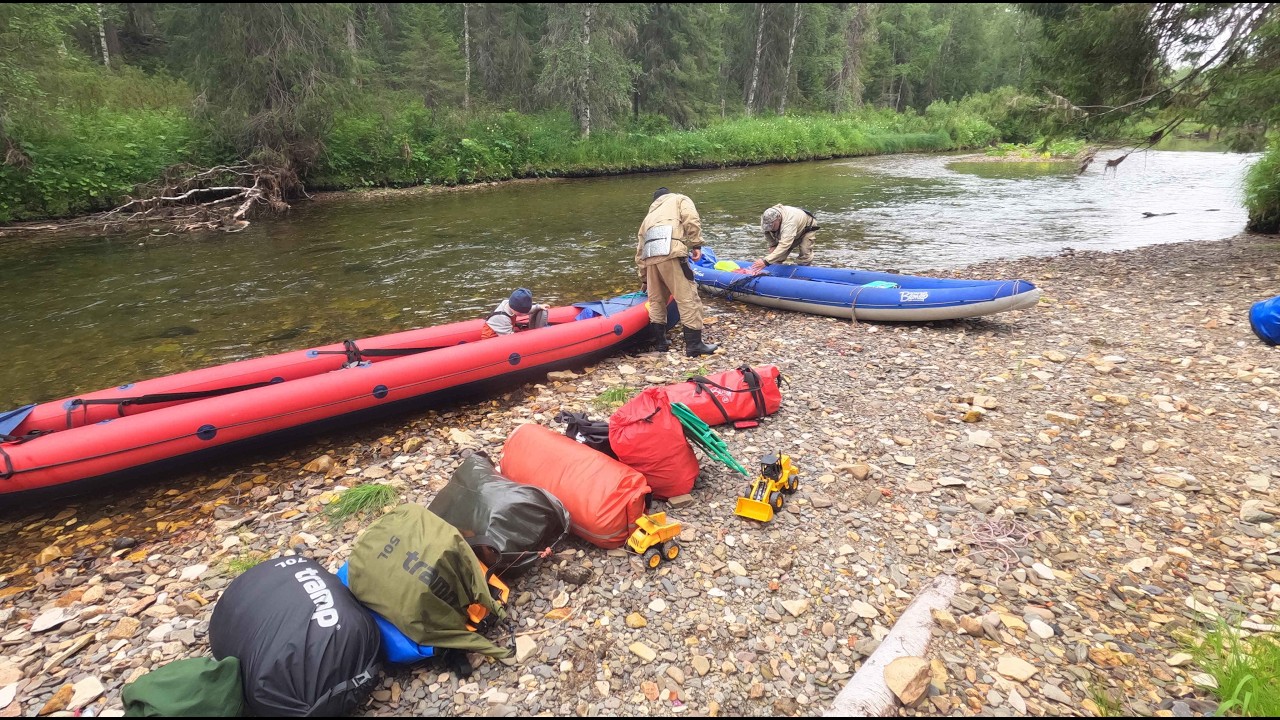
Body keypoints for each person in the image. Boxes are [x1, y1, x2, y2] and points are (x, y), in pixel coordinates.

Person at [636, 187, 718, 357]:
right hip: (672, 252)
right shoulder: (679, 199)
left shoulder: (648, 217)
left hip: (650, 257)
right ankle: (694, 345)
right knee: (688, 297)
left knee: (656, 300)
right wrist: (696, 244)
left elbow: (639, 250)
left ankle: (661, 343)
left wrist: (644, 279)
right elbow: (691, 219)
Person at [750, 204, 821, 273]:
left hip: (807, 227)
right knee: (777, 257)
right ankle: (776, 274)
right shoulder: (766, 218)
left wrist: (765, 261)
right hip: (792, 227)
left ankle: (804, 273)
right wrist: (773, 245)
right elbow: (766, 232)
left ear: (778, 219)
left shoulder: (789, 223)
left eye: (772, 225)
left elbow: (784, 245)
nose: (770, 227)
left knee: (805, 253)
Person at [481, 288, 548, 339]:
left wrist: (538, 307)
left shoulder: (511, 304)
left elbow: (525, 309)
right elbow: (509, 339)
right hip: (492, 338)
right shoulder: (503, 318)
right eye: (522, 313)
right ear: (515, 308)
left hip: (503, 330)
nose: (524, 314)